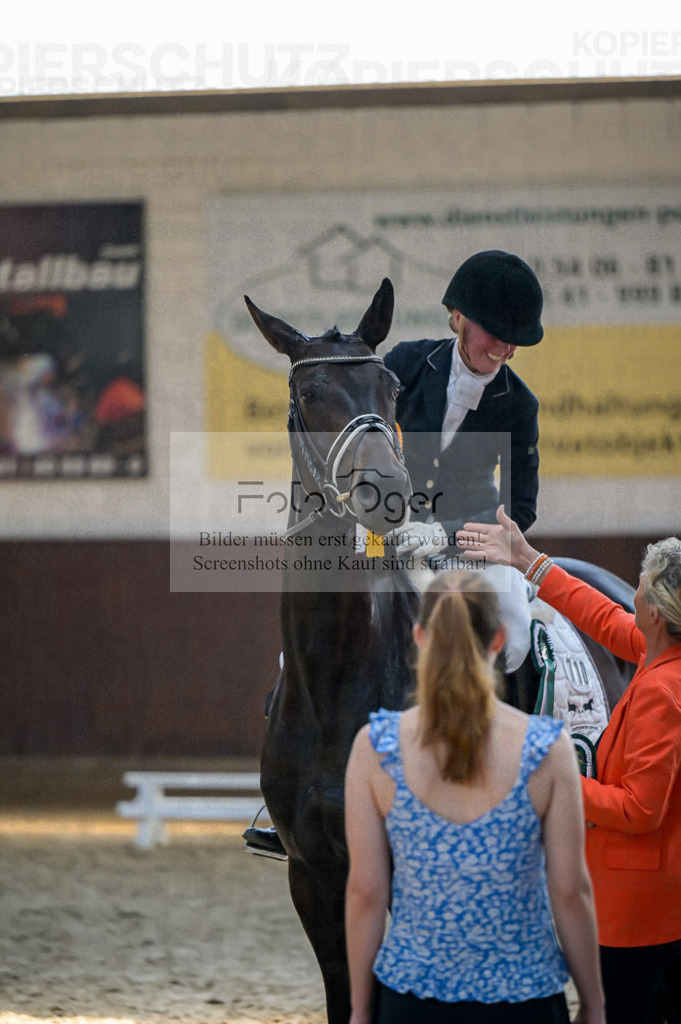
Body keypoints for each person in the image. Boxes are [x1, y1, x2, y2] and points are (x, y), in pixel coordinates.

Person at [345, 571, 605, 1024]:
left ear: (420, 637)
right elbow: (569, 890)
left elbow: (367, 893)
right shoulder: (547, 748)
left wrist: (360, 1010)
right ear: (500, 637)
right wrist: (595, 1003)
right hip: (524, 1000)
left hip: (412, 999)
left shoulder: (375, 747)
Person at [459, 507, 681, 1024]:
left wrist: (559, 780)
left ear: (656, 613)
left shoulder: (661, 690)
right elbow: (602, 617)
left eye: (642, 592)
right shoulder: (660, 650)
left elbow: (640, 809)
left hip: (637, 911)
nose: (635, 598)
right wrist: (527, 560)